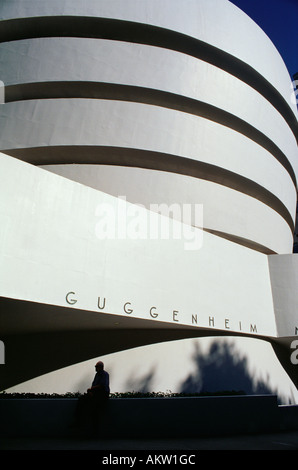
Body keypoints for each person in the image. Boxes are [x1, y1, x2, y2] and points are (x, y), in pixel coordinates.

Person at [74, 360, 110, 435]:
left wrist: (91, 389)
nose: (95, 368)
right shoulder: (97, 375)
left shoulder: (104, 374)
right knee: (83, 400)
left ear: (101, 367)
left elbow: (102, 386)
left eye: (96, 367)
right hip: (95, 394)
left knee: (93, 410)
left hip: (101, 396)